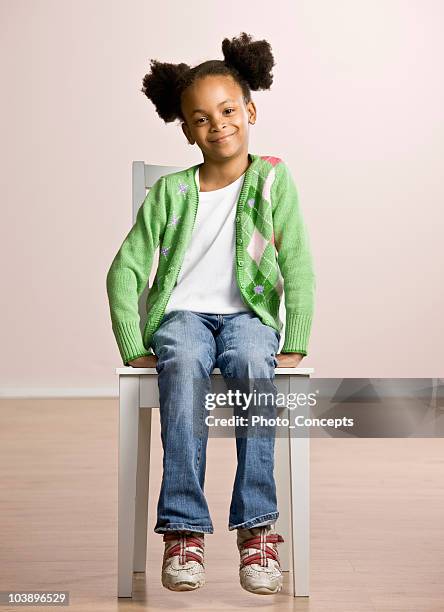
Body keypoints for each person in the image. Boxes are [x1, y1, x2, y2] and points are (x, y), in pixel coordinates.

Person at [106, 32, 316, 595]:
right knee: (185, 358)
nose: (217, 124)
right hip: (183, 317)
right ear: (186, 129)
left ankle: (258, 533)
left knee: (252, 358)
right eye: (201, 118)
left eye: (228, 110)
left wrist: (294, 333)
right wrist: (132, 341)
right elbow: (124, 269)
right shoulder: (171, 193)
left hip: (250, 315)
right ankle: (183, 532)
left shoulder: (273, 179)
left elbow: (296, 259)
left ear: (249, 110)